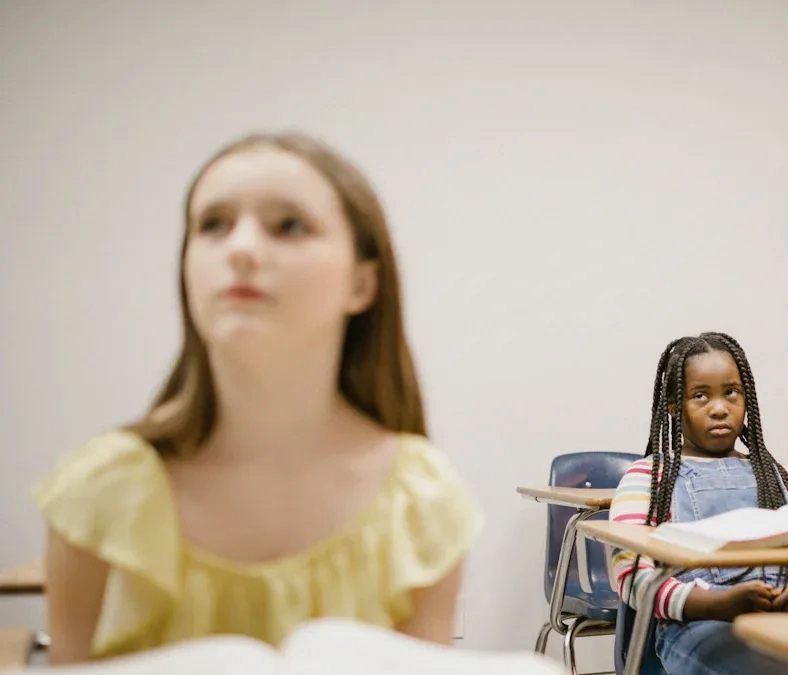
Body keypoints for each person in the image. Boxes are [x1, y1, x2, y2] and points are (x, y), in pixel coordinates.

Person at [33, 132, 482, 663]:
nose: (241, 248)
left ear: (362, 284)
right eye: (213, 225)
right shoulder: (100, 492)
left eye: (289, 225)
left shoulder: (421, 506)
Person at [609, 332, 788, 674]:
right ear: (675, 407)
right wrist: (713, 603)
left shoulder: (784, 476)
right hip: (699, 623)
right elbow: (630, 574)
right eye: (700, 396)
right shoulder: (648, 476)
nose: (719, 408)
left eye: (731, 393)